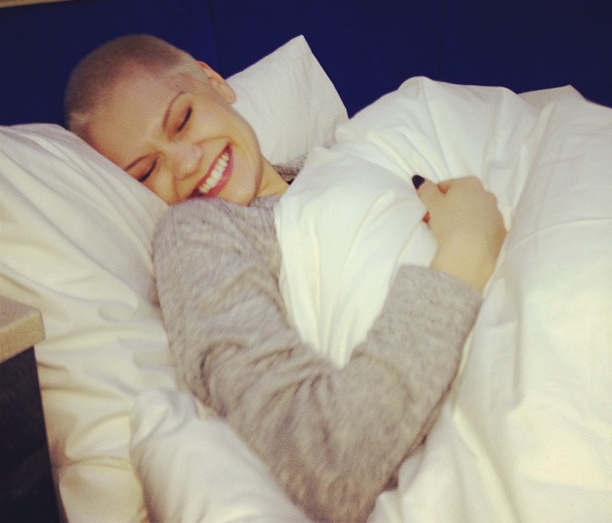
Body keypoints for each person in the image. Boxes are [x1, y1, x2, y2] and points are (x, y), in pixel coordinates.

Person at [65, 34, 506, 522]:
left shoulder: (347, 156)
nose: (187, 163)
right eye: (148, 171)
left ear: (213, 81)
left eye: (183, 119)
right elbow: (324, 462)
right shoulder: (199, 231)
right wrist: (466, 247)